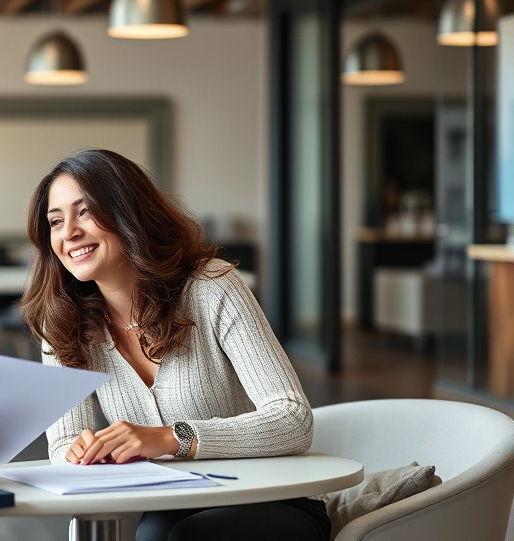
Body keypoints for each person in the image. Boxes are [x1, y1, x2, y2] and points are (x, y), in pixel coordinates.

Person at [21, 149, 329, 541]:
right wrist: (79, 452)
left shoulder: (211, 287)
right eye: (56, 221)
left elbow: (293, 419)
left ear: (128, 213)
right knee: (152, 534)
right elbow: (63, 442)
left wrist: (170, 438)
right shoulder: (63, 322)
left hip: (276, 499)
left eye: (85, 212)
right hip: (171, 500)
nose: (69, 233)